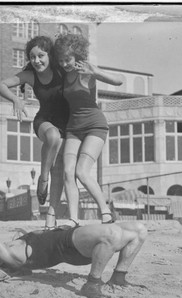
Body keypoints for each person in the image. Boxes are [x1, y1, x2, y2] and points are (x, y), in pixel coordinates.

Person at [0, 36, 69, 229]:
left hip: (67, 124)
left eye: (41, 56)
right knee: (52, 136)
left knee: (59, 171)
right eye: (32, 57)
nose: (37, 61)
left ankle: (50, 219)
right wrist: (15, 99)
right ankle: (43, 178)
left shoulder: (61, 70)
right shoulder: (31, 75)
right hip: (44, 121)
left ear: (50, 55)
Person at [0, 221, 148, 298]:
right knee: (113, 234)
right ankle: (92, 284)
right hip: (69, 245)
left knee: (140, 230)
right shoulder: (13, 255)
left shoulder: (18, 245)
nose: (7, 242)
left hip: (75, 238)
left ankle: (118, 277)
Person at [53, 33, 124, 227]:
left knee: (82, 172)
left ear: (76, 55)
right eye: (61, 60)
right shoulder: (63, 76)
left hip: (95, 126)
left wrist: (96, 72)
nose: (65, 63)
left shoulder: (87, 71)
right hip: (73, 128)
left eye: (67, 59)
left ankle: (106, 212)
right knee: (68, 172)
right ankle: (73, 219)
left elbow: (119, 80)